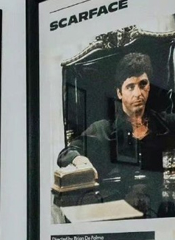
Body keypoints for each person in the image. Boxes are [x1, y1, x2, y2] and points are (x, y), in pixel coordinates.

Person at [57, 52, 175, 217]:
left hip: (163, 209)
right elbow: (66, 154)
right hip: (118, 212)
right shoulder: (103, 129)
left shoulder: (165, 123)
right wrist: (81, 160)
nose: (138, 93)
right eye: (130, 87)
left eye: (143, 84)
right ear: (119, 93)